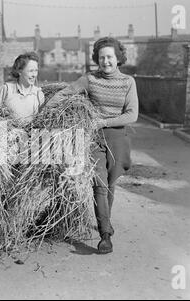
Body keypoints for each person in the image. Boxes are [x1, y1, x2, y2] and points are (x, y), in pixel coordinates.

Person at [46, 37, 139, 254]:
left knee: (111, 182)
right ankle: (104, 234)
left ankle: (105, 221)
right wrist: (48, 109)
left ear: (118, 59)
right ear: (96, 59)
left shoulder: (128, 82)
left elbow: (132, 114)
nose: (105, 61)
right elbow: (65, 93)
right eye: (101, 57)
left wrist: (104, 121)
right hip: (94, 138)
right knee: (99, 183)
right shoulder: (89, 79)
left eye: (110, 57)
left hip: (118, 138)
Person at [0, 52, 45, 125]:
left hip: (30, 135)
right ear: (19, 71)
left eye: (36, 71)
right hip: (5, 134)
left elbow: (42, 121)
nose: (34, 75)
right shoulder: (6, 90)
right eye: (31, 71)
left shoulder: (38, 94)